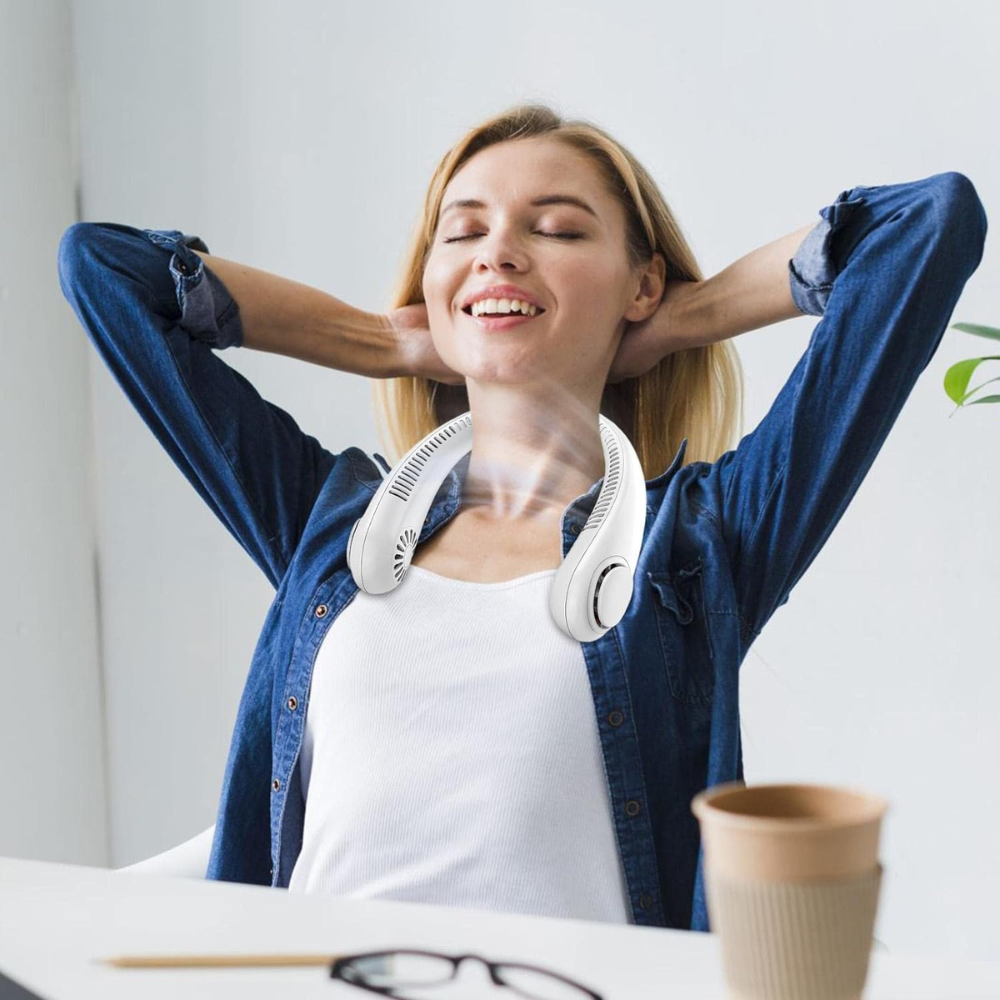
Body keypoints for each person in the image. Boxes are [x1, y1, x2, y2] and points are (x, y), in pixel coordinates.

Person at [56, 102, 987, 932]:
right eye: (463, 232)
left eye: (557, 229)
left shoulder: (698, 543)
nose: (497, 252)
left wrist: (688, 316)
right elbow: (104, 270)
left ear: (641, 284)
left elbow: (924, 225)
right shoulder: (335, 527)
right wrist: (376, 338)